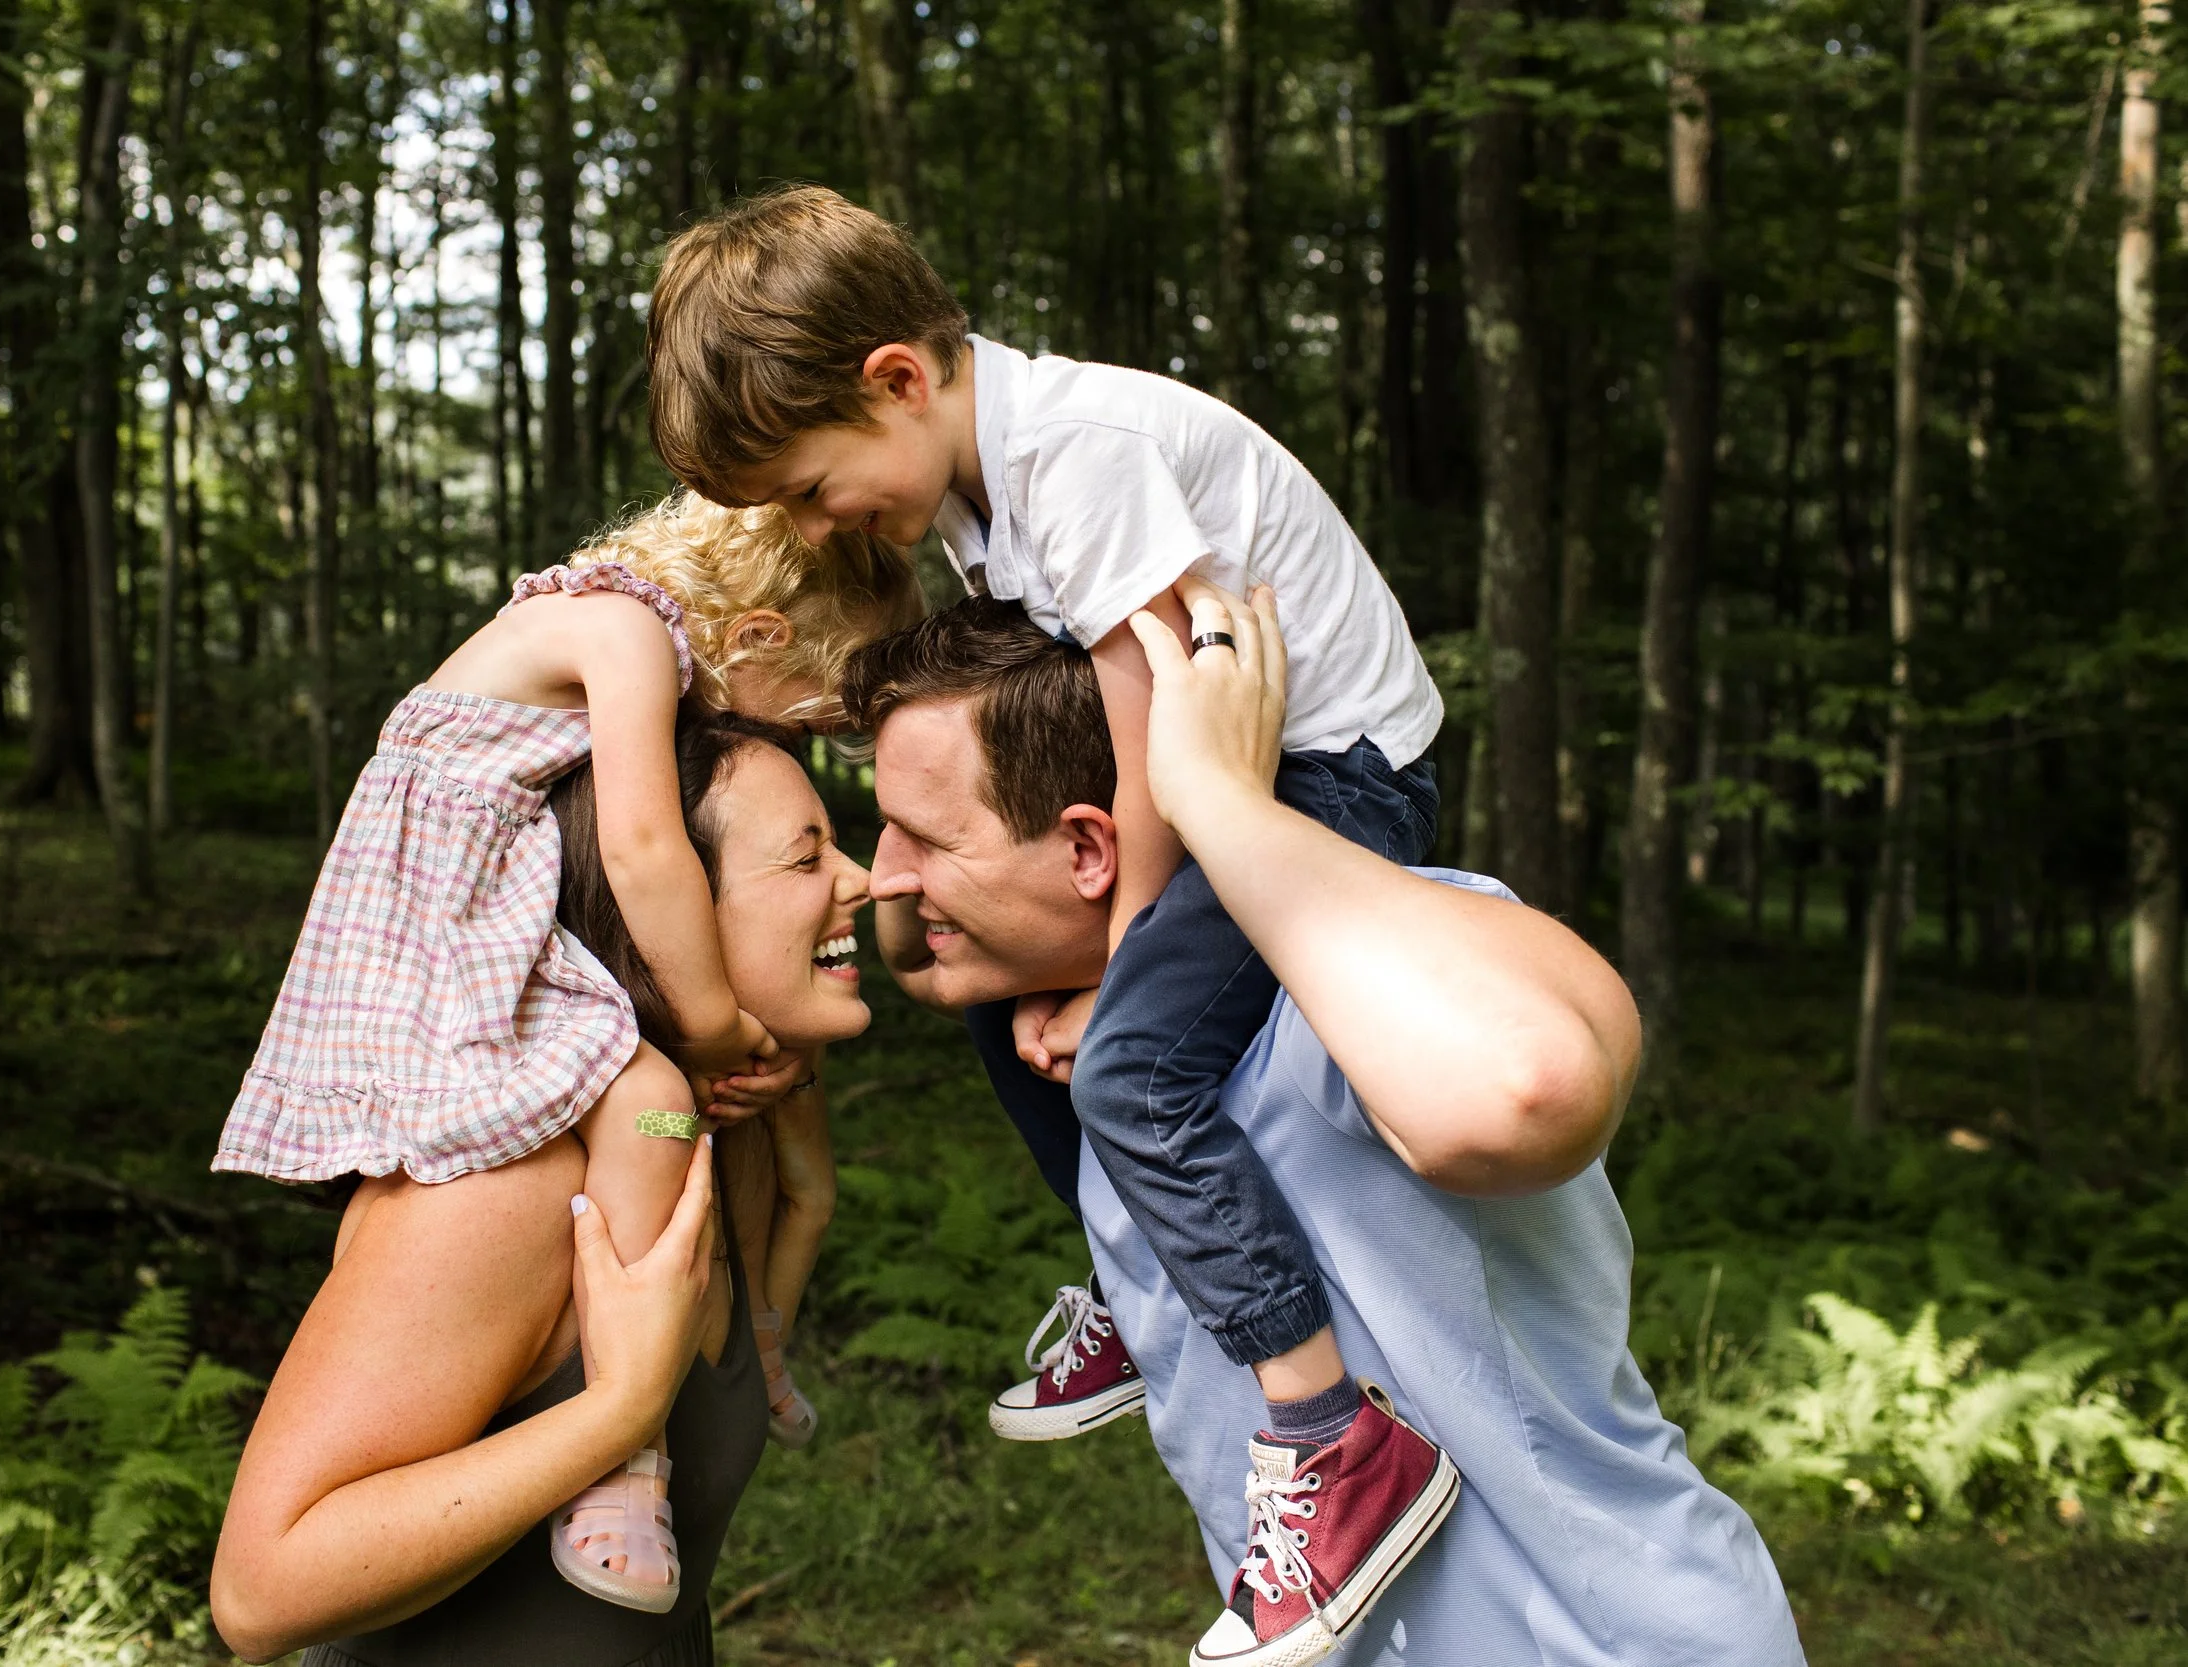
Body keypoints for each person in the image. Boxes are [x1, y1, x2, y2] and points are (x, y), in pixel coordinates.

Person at [646, 184, 1450, 1660]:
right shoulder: (978, 490)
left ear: (898, 378)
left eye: (815, 485)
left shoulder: (1079, 452)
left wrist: (1131, 951)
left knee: (1134, 1063)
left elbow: (1153, 722)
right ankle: (1137, 1268)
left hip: (1330, 779)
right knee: (1002, 1007)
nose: (825, 522)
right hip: (1228, 773)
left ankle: (1339, 1437)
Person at [844, 587, 1807, 1667]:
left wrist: (1221, 804)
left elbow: (1533, 1080)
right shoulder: (1078, 1036)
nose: (884, 875)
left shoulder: (1343, 978)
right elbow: (914, 961)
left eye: (922, 837)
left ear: (1087, 848)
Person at [212, 493, 918, 1612]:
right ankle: (617, 1472)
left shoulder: (700, 1137)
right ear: (757, 634)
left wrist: (785, 1122)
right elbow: (257, 1598)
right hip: (427, 918)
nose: (865, 876)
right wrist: (617, 1412)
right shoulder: (521, 1191)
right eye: (803, 856)